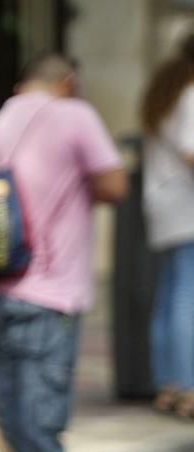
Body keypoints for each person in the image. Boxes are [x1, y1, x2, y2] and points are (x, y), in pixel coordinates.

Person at [0, 53, 127, 452]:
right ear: (68, 80)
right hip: (51, 287)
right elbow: (115, 184)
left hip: (1, 287)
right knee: (41, 400)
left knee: (13, 399)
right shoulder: (73, 114)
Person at [140, 33, 194, 420]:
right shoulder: (190, 93)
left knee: (171, 294)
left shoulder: (166, 90)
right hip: (185, 205)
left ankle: (169, 383)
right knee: (186, 296)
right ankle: (188, 386)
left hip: (162, 203)